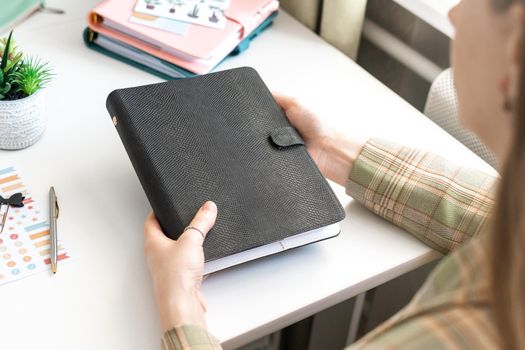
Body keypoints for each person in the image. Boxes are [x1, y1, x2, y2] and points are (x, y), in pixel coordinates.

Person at [144, 0, 525, 348]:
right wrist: (332, 151)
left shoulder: (470, 332)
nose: (455, 13)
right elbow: (492, 213)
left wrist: (178, 303)